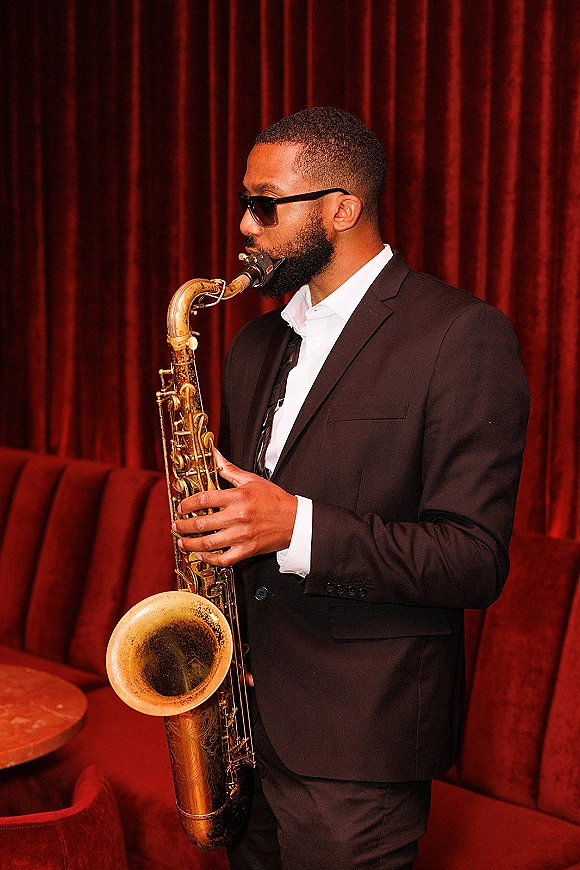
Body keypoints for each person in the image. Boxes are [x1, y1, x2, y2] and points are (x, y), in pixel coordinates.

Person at [173, 107, 530, 870]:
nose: (245, 223)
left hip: (359, 746)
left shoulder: (460, 336)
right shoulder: (254, 342)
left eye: (265, 205)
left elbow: (473, 560)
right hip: (242, 725)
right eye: (245, 201)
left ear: (342, 208)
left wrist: (294, 526)